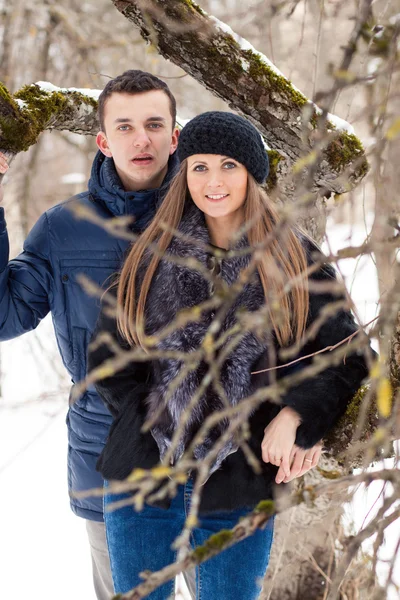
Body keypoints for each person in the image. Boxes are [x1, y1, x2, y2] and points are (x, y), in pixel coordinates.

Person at [88, 111, 371, 599]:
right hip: (144, 479)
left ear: (252, 175)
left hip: (237, 482)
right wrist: (154, 421)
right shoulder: (152, 254)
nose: (212, 182)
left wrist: (298, 414)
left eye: (228, 166)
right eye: (198, 167)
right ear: (184, 175)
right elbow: (109, 361)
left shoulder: (296, 261)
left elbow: (348, 356)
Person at [0, 69, 179, 600]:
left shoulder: (210, 213)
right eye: (124, 126)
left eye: (153, 124)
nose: (140, 138)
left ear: (175, 135)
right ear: (102, 140)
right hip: (107, 452)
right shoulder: (62, 228)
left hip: (206, 448)